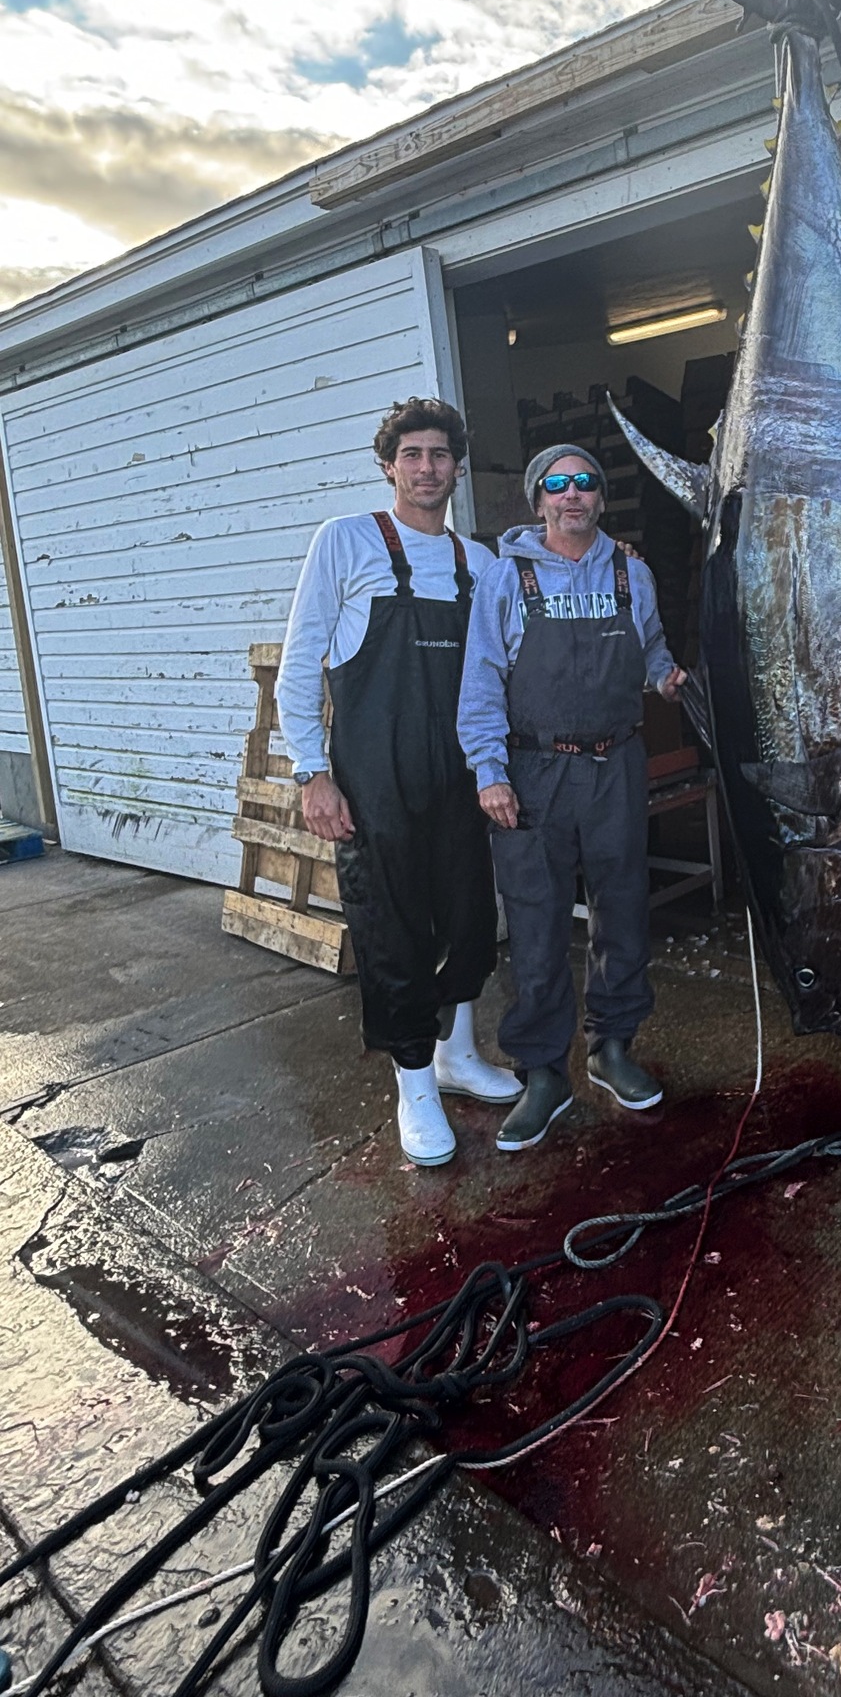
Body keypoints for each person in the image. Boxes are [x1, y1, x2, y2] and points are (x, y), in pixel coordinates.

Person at [277, 398, 520, 1168]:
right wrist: (313, 774)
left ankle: (458, 1053)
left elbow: (519, 647)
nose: (426, 468)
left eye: (440, 454)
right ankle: (414, 1083)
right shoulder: (345, 543)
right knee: (396, 937)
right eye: (411, 454)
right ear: (389, 465)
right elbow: (299, 664)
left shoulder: (476, 564)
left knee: (471, 922)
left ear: (457, 465)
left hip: (460, 782)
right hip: (375, 787)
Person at [457, 445, 687, 1152]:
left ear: (600, 497)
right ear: (539, 502)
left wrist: (670, 676)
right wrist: (488, 771)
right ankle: (544, 1072)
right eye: (557, 485)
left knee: (622, 910)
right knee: (537, 924)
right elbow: (482, 681)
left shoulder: (633, 572)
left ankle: (612, 1047)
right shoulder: (505, 578)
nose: (573, 495)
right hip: (533, 772)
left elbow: (650, 651)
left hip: (616, 762)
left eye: (586, 482)